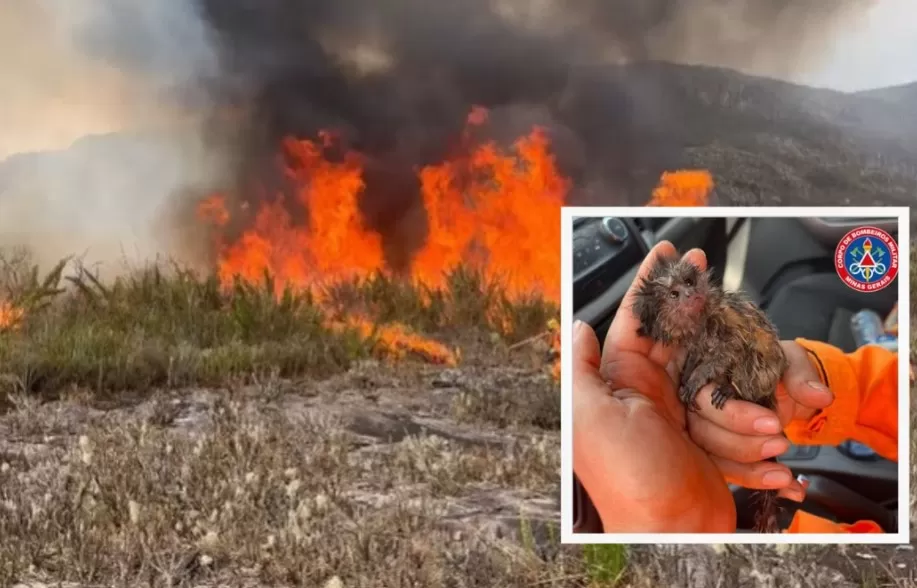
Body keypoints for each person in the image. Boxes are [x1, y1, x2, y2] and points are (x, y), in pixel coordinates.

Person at [572, 240, 899, 533]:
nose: (689, 293)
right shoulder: (680, 334)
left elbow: (725, 353)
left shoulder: (717, 316)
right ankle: (881, 340)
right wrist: (830, 376)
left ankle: (880, 338)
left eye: (688, 285)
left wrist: (666, 524)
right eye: (675, 294)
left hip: (752, 367)